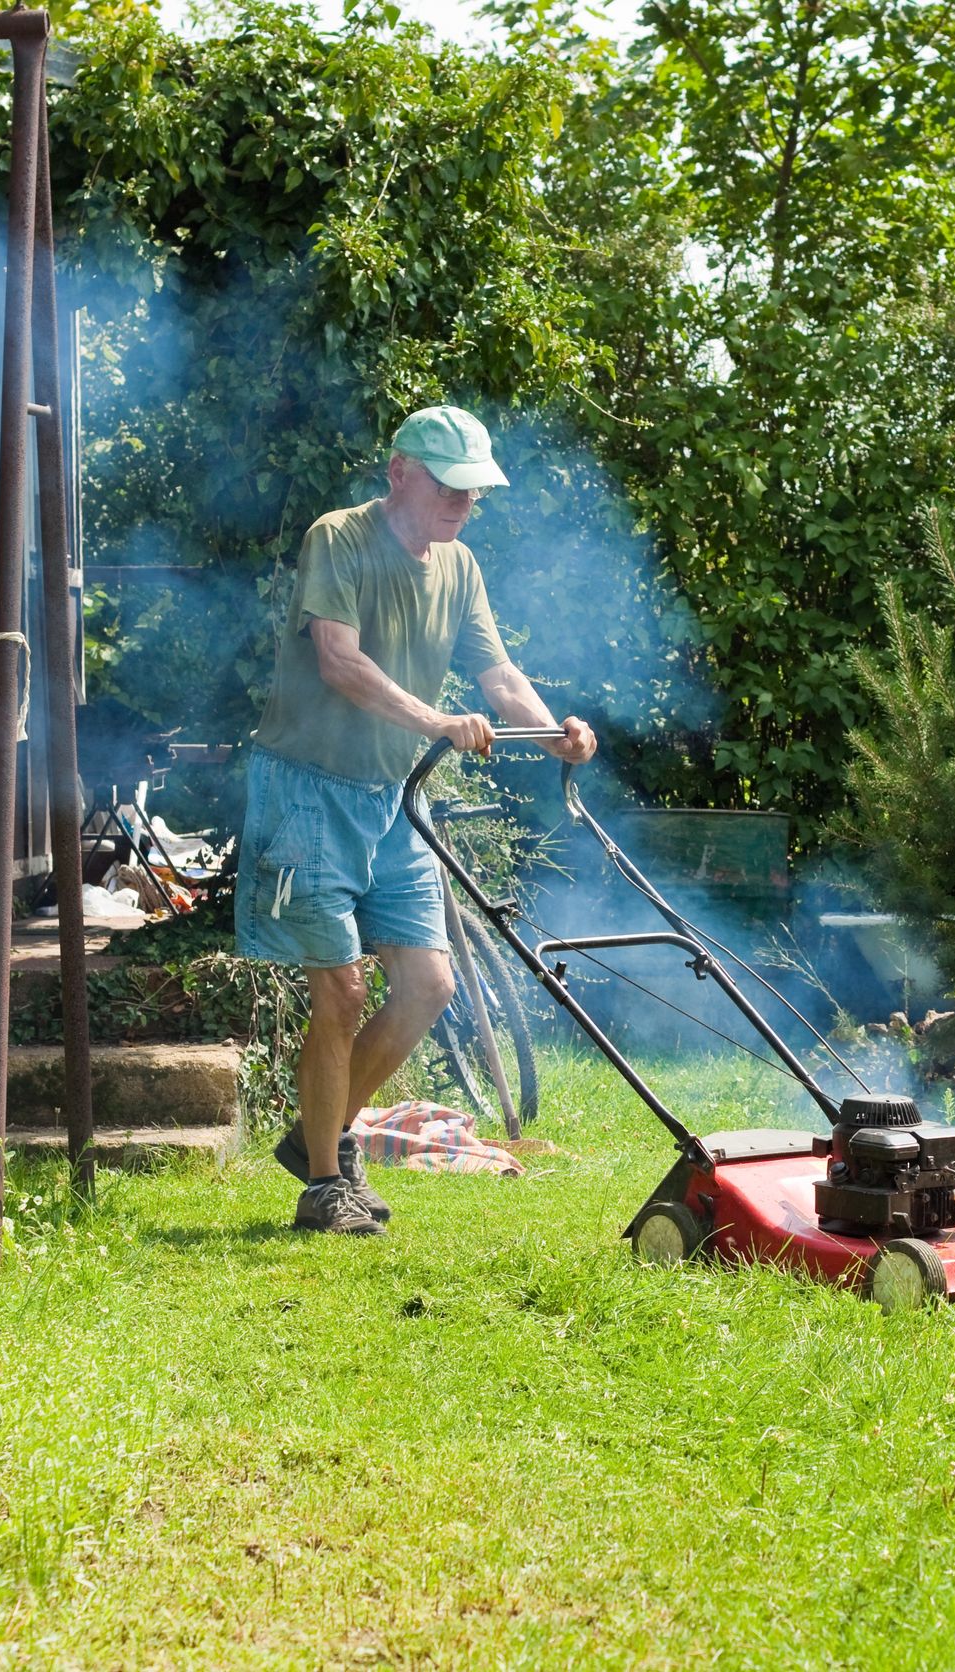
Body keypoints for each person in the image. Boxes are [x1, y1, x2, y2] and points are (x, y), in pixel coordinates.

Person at [237, 405, 597, 1235]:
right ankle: (327, 1184)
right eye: (451, 487)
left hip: (395, 801)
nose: (465, 505)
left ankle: (313, 1137)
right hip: (308, 791)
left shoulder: (460, 565)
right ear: (400, 472)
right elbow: (338, 660)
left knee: (429, 986)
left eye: (474, 492)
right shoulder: (339, 538)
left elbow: (497, 672)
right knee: (341, 990)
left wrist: (554, 736)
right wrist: (433, 720)